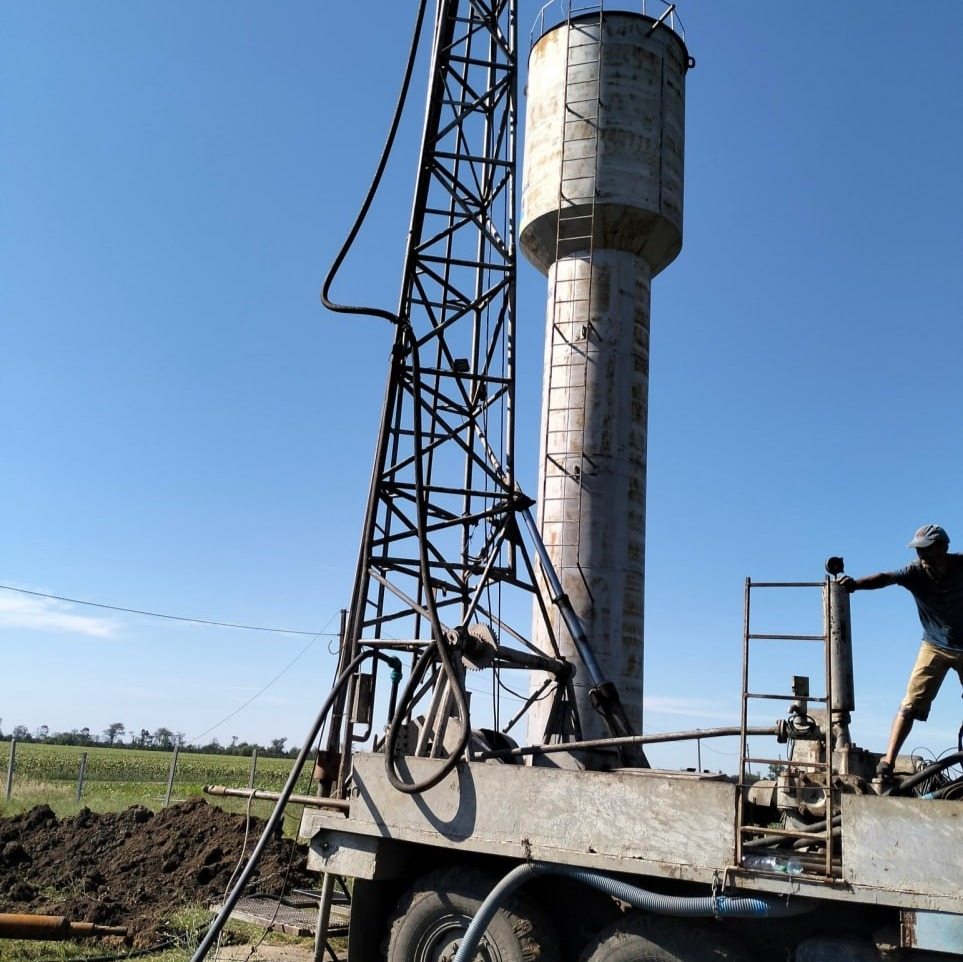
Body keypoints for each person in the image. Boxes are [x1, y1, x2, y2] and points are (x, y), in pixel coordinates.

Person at [839, 523, 963, 778]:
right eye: (918, 550)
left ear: (943, 547)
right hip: (934, 645)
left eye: (927, 549)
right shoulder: (914, 572)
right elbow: (885, 578)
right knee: (909, 704)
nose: (922, 555)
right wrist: (855, 585)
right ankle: (888, 761)